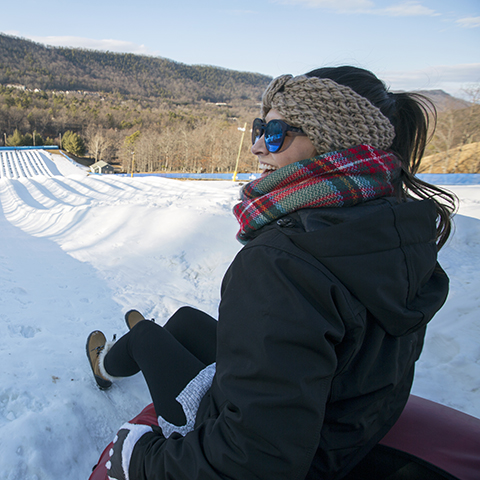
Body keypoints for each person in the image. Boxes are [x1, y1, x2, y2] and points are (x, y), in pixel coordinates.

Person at [86, 66, 457, 480]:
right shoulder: (394, 229)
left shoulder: (283, 263)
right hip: (336, 432)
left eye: (277, 132)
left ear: (333, 141)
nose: (259, 147)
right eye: (259, 128)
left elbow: (252, 461)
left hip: (292, 452)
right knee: (187, 319)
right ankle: (121, 356)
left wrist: (139, 459)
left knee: (146, 336)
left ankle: (104, 366)